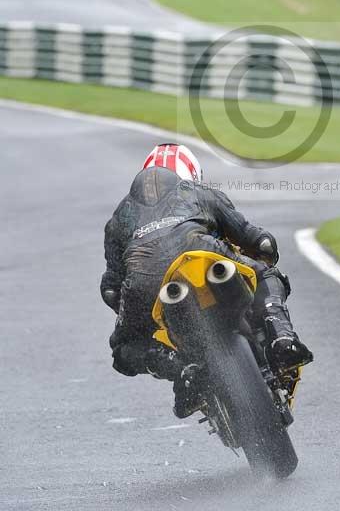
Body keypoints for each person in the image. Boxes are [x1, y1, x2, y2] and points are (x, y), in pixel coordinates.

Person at [100, 143, 313, 412]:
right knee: (266, 274)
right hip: (202, 253)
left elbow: (110, 288)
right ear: (190, 173)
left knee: (123, 350)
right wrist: (263, 252)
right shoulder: (199, 192)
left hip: (146, 282)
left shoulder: (119, 217)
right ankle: (282, 339)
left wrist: (133, 314)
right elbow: (258, 241)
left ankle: (182, 373)